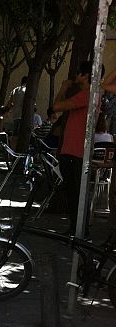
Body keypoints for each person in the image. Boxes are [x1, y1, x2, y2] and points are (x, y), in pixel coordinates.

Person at [52, 61, 110, 234]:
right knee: (73, 193)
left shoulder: (86, 95)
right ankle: (76, 228)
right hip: (73, 151)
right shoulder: (90, 96)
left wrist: (63, 87)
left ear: (86, 75)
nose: (76, 75)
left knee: (75, 194)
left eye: (79, 72)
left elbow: (56, 107)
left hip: (74, 152)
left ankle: (79, 230)